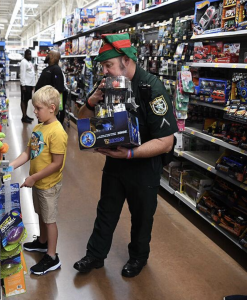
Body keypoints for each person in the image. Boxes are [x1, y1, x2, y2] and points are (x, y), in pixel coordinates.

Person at [73, 33, 178, 277]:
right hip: (115, 162)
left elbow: (166, 142)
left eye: (109, 65)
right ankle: (95, 255)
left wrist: (130, 155)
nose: (105, 71)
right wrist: (91, 101)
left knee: (142, 216)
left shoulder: (152, 88)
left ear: (126, 61)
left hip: (143, 167)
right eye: (103, 66)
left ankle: (138, 258)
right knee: (106, 210)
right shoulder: (108, 84)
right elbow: (81, 119)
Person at [10, 85, 68, 275]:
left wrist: (33, 177)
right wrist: (10, 166)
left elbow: (57, 164)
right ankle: (42, 243)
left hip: (48, 184)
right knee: (41, 215)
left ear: (52, 108)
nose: (34, 111)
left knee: (49, 219)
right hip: (38, 183)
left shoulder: (57, 132)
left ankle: (52, 257)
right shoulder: (39, 127)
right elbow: (28, 152)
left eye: (38, 108)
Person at [35, 50, 68, 125]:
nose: (47, 55)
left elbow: (58, 90)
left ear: (53, 57)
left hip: (48, 105)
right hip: (43, 103)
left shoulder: (56, 69)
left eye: (48, 54)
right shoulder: (49, 68)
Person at [20, 49, 36, 123]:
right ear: (25, 55)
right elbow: (22, 74)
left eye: (30, 54)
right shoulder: (23, 62)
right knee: (23, 100)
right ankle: (24, 117)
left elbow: (31, 73)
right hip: (25, 85)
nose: (30, 56)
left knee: (26, 100)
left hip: (29, 85)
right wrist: (23, 85)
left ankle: (25, 115)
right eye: (28, 54)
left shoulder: (29, 62)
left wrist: (33, 85)